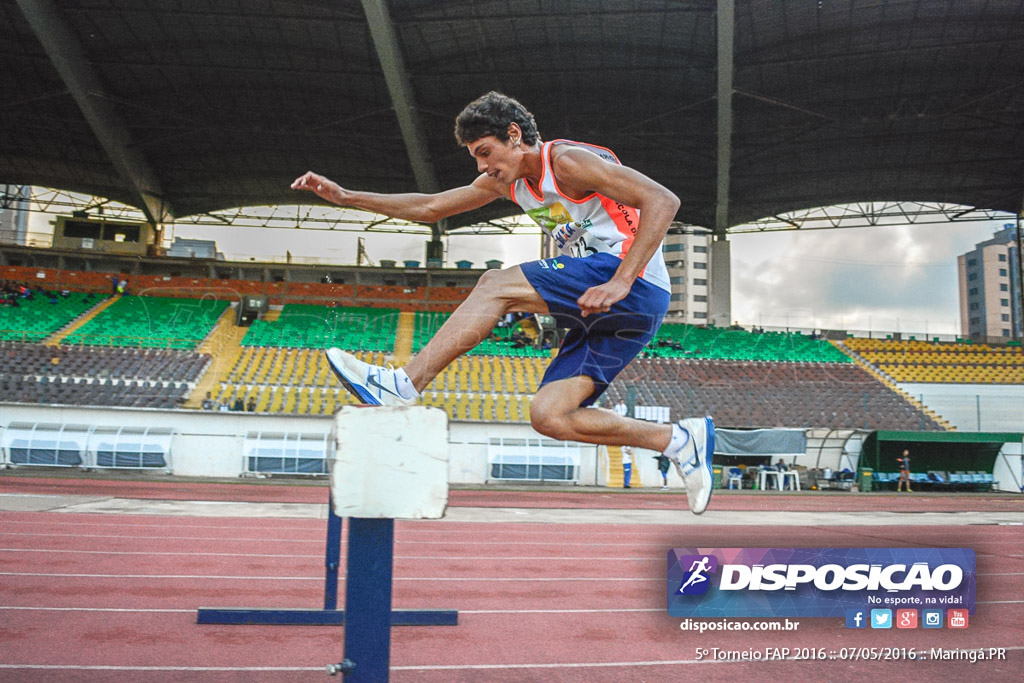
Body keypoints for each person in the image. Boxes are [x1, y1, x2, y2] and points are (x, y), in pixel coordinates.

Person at [291, 91, 715, 515]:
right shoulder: (508, 182)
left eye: (485, 152)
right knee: (550, 416)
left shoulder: (566, 162)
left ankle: (403, 385)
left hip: (629, 281)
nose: (481, 166)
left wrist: (623, 279)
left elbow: (663, 201)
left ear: (514, 136)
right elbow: (431, 206)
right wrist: (347, 197)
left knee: (495, 284)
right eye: (475, 158)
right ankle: (678, 441)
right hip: (607, 304)